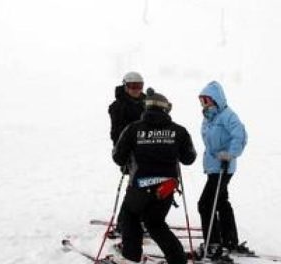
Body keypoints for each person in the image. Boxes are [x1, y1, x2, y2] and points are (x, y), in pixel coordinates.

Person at [107, 91, 197, 264]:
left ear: (146, 107)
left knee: (130, 216)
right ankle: (177, 259)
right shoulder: (179, 131)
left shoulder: (133, 129)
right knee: (155, 223)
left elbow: (117, 157)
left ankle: (131, 257)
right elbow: (189, 158)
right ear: (166, 110)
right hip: (167, 187)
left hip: (140, 186)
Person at [196, 81, 251, 260]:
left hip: (223, 168)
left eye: (206, 100)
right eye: (201, 100)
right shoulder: (208, 118)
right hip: (213, 167)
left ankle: (213, 244)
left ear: (216, 100)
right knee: (220, 202)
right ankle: (229, 240)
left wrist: (230, 153)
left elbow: (240, 135)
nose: (203, 104)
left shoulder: (228, 116)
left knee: (205, 204)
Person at [109, 71, 147, 145]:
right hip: (128, 146)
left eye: (139, 86)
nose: (136, 90)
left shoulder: (147, 102)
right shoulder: (118, 106)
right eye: (133, 86)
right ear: (125, 86)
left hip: (147, 144)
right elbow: (117, 132)